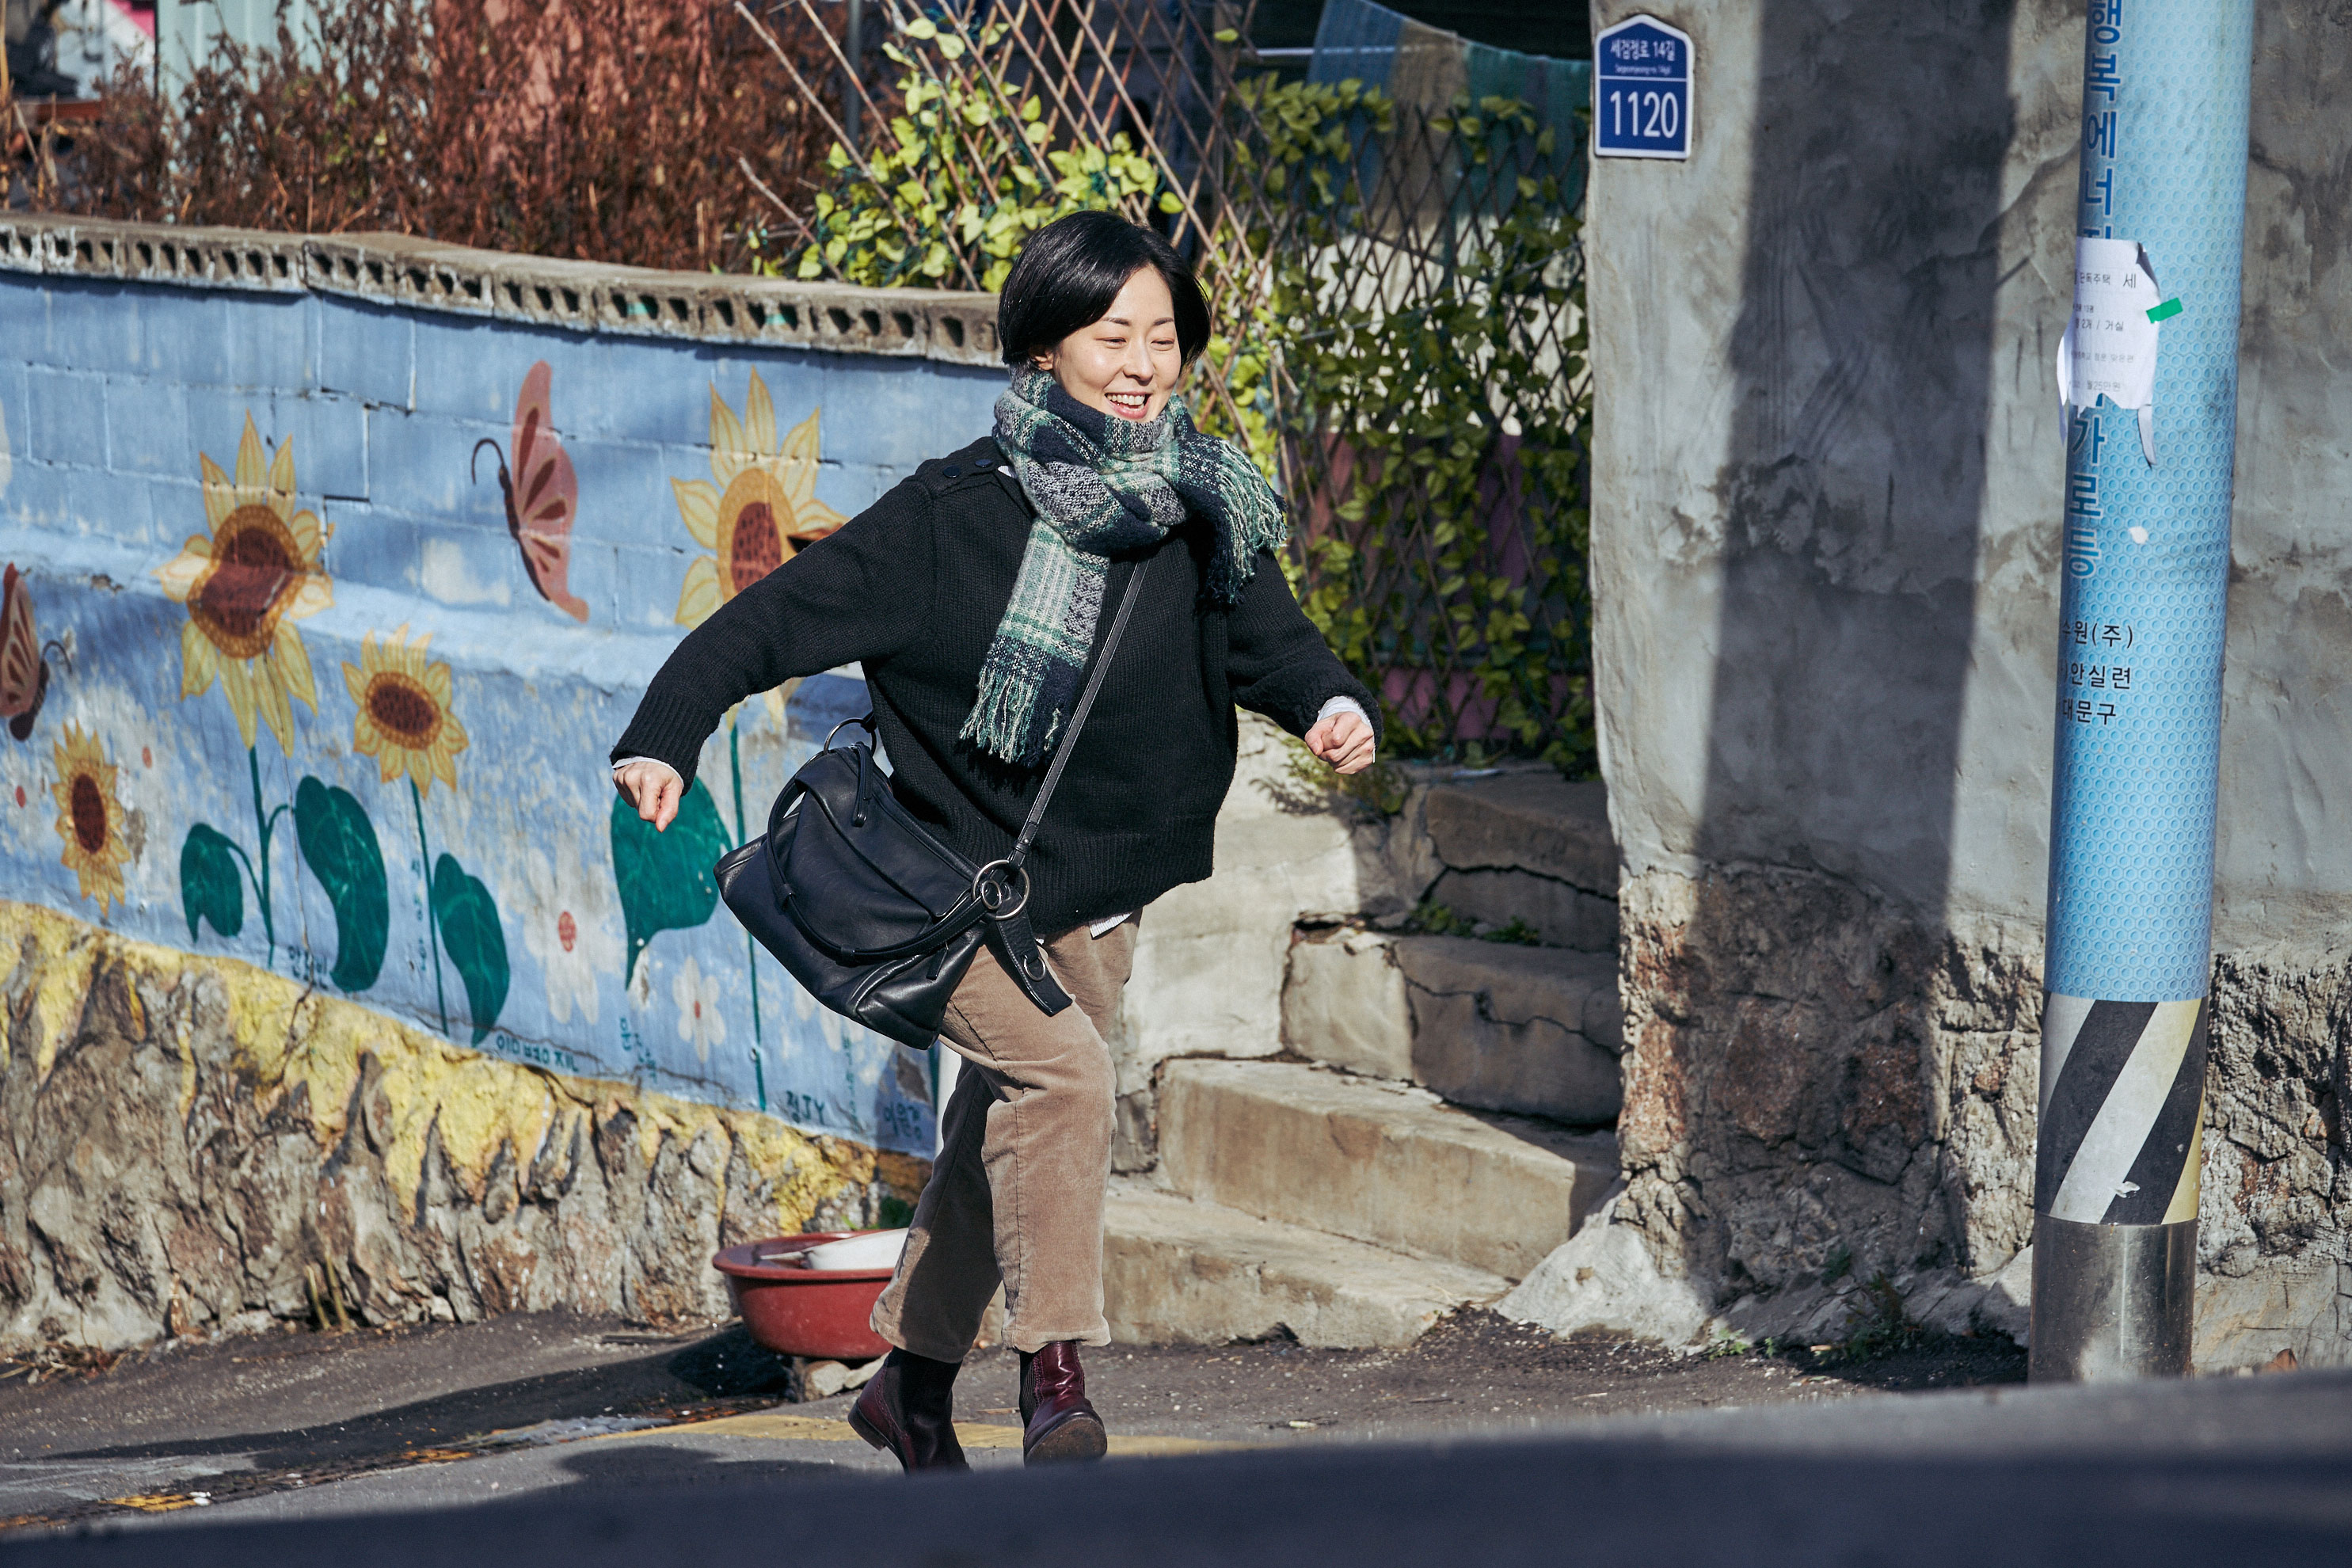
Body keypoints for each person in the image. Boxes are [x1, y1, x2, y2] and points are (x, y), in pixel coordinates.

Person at [610, 211, 1378, 1471]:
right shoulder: (951, 513)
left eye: (1162, 338)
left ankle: (909, 1387)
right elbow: (766, 625)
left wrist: (1329, 703)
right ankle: (1053, 1374)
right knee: (1063, 1083)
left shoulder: (1204, 503)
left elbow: (1269, 644)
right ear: (1042, 348)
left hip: (1102, 886)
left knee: (1005, 1130)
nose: (1141, 365)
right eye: (1111, 337)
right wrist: (664, 736)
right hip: (952, 884)